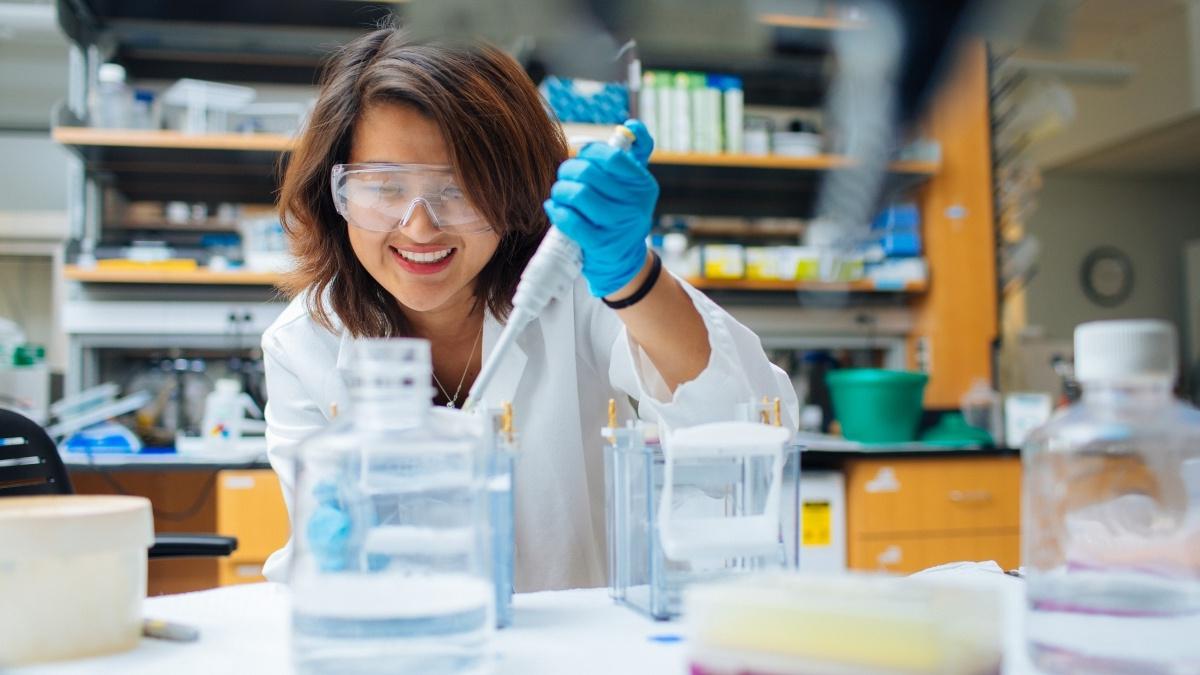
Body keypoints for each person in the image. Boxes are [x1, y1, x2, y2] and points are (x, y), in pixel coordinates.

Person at [262, 26, 798, 591]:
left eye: (458, 188)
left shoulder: (578, 296)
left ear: (513, 190)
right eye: (384, 187)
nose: (419, 227)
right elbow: (320, 555)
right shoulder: (305, 343)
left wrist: (632, 278)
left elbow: (753, 423)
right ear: (335, 194)